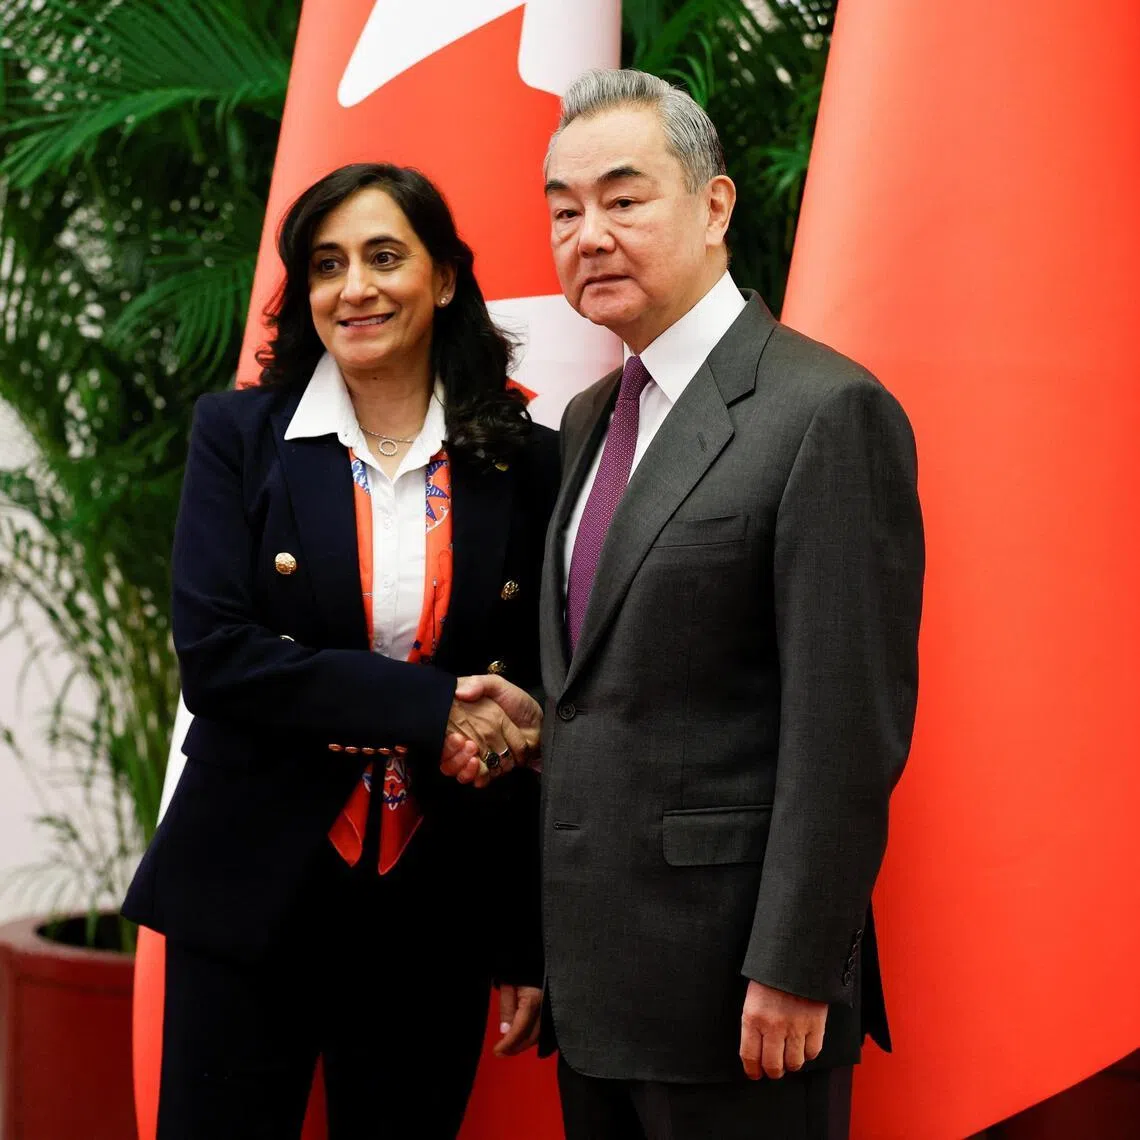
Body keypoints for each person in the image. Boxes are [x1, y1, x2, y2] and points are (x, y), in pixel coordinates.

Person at [503, 68, 922, 1139]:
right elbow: (602, 693)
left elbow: (846, 729)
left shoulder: (825, 411)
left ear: (716, 205)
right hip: (596, 989)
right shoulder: (593, 416)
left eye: (623, 198)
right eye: (563, 209)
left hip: (742, 999)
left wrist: (796, 965)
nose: (588, 233)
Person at [123, 162, 555, 1140]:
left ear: (443, 278)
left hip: (432, 908)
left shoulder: (523, 459)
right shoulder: (239, 435)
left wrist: (526, 941)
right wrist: (429, 707)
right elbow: (219, 658)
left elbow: (530, 696)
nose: (353, 287)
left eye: (383, 257)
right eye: (326, 265)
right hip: (248, 888)